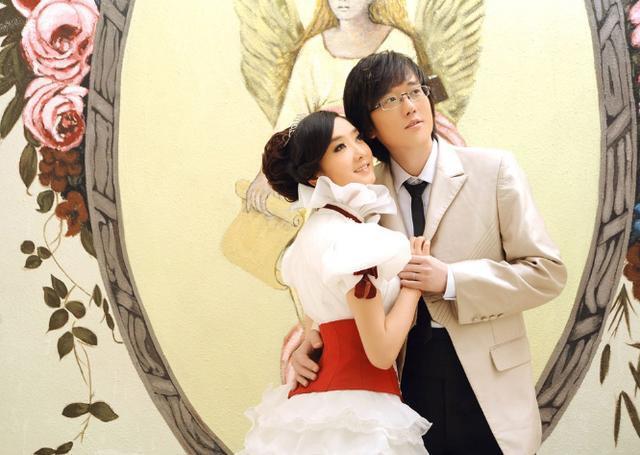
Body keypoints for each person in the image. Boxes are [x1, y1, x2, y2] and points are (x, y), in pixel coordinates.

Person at [291, 51, 568, 455]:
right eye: (390, 99)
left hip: (488, 385)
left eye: (415, 91)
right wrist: (313, 336)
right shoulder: (361, 192)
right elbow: (335, 276)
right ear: (369, 127)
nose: (410, 106)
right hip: (403, 385)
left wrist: (452, 280)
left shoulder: (495, 170)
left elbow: (547, 273)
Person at [239, 110, 431, 454]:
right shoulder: (353, 241)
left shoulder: (313, 234)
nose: (360, 152)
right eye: (339, 148)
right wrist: (413, 287)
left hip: (313, 408)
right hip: (358, 410)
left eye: (357, 138)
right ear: (314, 175)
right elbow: (381, 352)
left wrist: (309, 339)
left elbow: (322, 324)